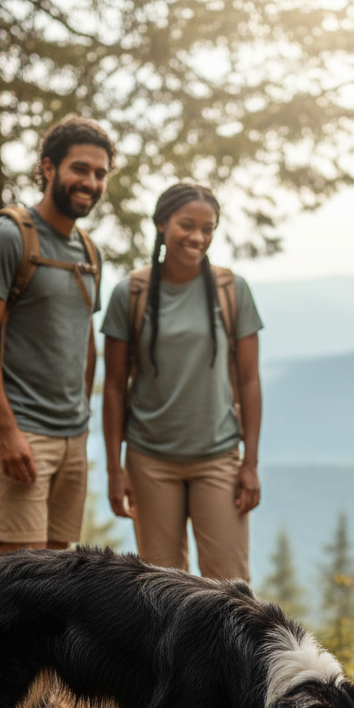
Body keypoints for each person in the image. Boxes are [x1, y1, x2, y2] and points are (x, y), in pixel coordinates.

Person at [0, 114, 112, 708]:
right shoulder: (6, 236)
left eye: (100, 173)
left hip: (70, 436)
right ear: (47, 168)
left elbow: (82, 341)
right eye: (80, 167)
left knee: (56, 585)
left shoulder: (86, 249)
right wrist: (6, 429)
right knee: (16, 583)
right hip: (19, 430)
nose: (90, 181)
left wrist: (80, 421)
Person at [100, 182, 263, 581]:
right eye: (187, 225)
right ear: (161, 224)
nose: (198, 237)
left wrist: (250, 463)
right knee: (162, 589)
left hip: (218, 457)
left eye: (207, 229)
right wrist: (114, 469)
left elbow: (248, 380)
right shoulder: (131, 292)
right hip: (149, 460)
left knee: (230, 588)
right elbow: (114, 387)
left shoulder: (231, 289)